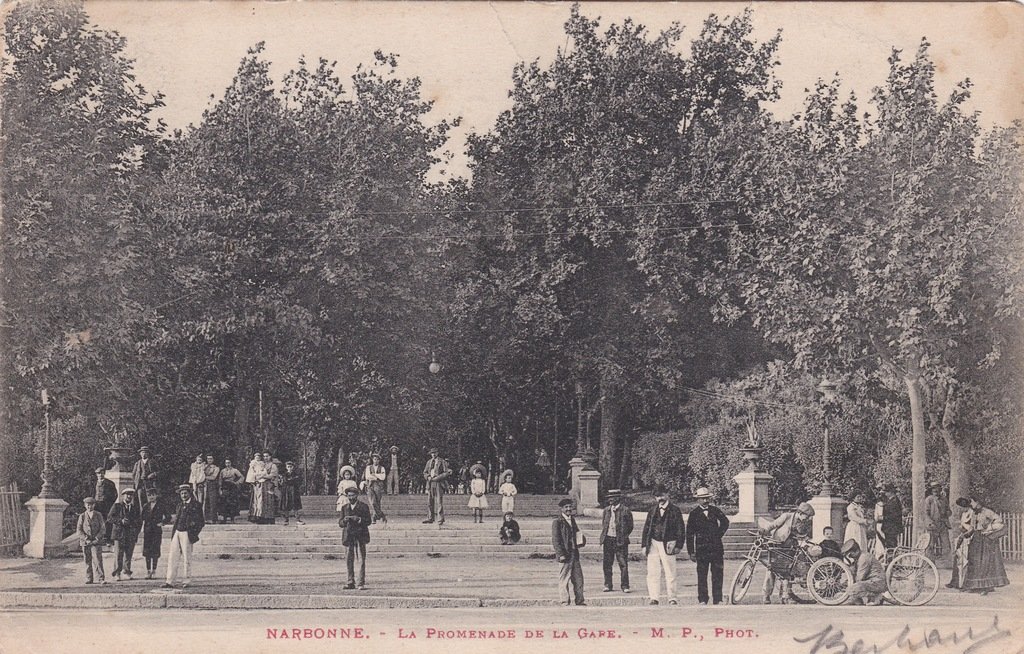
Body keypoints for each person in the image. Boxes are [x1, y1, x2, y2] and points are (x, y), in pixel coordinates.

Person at [949, 497, 1009, 595]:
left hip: (987, 540)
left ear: (978, 502)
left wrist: (989, 529)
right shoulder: (973, 513)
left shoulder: (987, 512)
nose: (970, 504)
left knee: (985, 564)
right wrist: (965, 535)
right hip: (976, 539)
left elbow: (1000, 521)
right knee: (974, 562)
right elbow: (972, 528)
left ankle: (986, 587)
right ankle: (974, 586)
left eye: (972, 502)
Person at [758, 502, 815, 604]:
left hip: (790, 548)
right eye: (806, 516)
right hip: (777, 545)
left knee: (787, 571)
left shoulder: (803, 523)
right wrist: (764, 531)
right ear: (800, 513)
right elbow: (773, 525)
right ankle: (766, 595)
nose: (807, 519)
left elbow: (804, 534)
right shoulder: (787, 516)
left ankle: (785, 596)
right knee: (771, 570)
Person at [686, 487, 731, 605]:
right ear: (698, 500)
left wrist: (718, 534)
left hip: (716, 548)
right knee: (702, 575)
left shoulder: (715, 510)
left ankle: (718, 599)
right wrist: (691, 552)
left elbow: (725, 522)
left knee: (717, 574)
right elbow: (689, 534)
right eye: (702, 499)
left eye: (707, 498)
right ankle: (702, 599)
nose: (705, 501)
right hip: (701, 549)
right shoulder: (693, 514)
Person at [641, 485, 684, 606]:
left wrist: (678, 545)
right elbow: (646, 528)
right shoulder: (652, 510)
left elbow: (680, 529)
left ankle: (672, 597)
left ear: (667, 494)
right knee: (652, 571)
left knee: (670, 571)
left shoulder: (675, 510)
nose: (659, 498)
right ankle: (654, 597)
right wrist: (644, 545)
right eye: (657, 496)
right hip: (653, 543)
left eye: (661, 495)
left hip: (668, 544)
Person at [163, 484, 204, 589]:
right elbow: (176, 521)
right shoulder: (179, 505)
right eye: (182, 493)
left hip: (187, 533)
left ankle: (187, 580)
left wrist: (193, 533)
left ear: (189, 493)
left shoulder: (196, 505)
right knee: (173, 557)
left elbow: (201, 522)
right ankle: (170, 580)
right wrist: (173, 534)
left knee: (187, 557)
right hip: (177, 532)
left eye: (185, 493)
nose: (183, 495)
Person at [551, 498, 585, 606]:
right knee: (564, 579)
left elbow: (577, 534)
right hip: (565, 554)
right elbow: (556, 540)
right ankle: (565, 601)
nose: (569, 509)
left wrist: (581, 540)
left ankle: (580, 601)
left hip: (575, 554)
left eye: (570, 507)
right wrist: (560, 554)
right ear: (561, 509)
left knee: (578, 579)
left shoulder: (572, 520)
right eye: (566, 507)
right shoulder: (557, 522)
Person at [600, 488, 633, 594]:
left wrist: (622, 535)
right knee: (607, 564)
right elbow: (604, 524)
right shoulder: (606, 510)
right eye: (609, 498)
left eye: (612, 498)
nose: (610, 500)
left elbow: (630, 526)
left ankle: (625, 586)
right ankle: (608, 585)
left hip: (620, 541)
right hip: (608, 540)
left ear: (618, 498)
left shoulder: (625, 510)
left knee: (623, 564)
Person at [338, 486, 371, 590]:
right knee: (349, 559)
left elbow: (368, 521)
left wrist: (359, 519)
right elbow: (340, 523)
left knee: (361, 559)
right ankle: (350, 581)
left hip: (360, 535)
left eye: (353, 496)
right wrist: (345, 520)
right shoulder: (344, 507)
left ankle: (361, 582)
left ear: (357, 496)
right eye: (349, 496)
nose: (351, 498)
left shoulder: (364, 506)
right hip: (349, 536)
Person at [107, 488, 142, 581]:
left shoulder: (135, 508)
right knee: (118, 554)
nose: (129, 497)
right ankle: (117, 573)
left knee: (128, 554)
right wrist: (120, 521)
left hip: (130, 534)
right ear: (123, 496)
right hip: (119, 534)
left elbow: (139, 522)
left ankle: (126, 571)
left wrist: (135, 533)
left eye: (131, 495)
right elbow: (109, 518)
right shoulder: (117, 506)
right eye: (127, 495)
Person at [841, 539, 886, 605]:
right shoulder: (859, 557)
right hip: (872, 582)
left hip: (877, 582)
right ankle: (858, 600)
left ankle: (877, 597)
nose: (850, 557)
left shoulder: (863, 558)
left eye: (851, 554)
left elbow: (860, 578)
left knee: (850, 589)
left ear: (855, 551)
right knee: (850, 588)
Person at [76, 496, 106, 585]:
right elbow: (79, 530)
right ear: (85, 505)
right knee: (87, 560)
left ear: (94, 505)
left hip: (96, 542)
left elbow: (103, 528)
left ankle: (101, 578)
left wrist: (97, 538)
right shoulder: (82, 516)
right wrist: (86, 539)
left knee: (97, 560)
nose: (90, 507)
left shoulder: (98, 515)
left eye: (91, 505)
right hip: (86, 542)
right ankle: (89, 578)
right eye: (88, 505)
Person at [141, 489, 169, 579]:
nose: (151, 497)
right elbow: (142, 517)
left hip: (156, 530)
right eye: (149, 495)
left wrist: (162, 522)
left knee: (155, 550)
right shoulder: (146, 506)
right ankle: (148, 570)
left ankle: (154, 570)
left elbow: (168, 516)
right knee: (147, 551)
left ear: (156, 495)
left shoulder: (161, 506)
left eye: (153, 495)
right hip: (147, 530)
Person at [422, 448, 451, 525]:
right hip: (430, 482)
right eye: (432, 453)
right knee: (429, 501)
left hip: (438, 482)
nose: (433, 454)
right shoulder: (429, 462)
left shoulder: (442, 461)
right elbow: (424, 472)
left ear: (437, 453)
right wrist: (428, 477)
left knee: (439, 501)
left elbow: (446, 472)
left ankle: (440, 519)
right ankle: (430, 518)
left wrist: (438, 478)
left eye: (435, 453)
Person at [925, 482, 952, 558]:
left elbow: (949, 510)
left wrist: (947, 513)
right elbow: (926, 513)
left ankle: (946, 562)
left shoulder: (944, 499)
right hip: (933, 525)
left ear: (940, 489)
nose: (935, 490)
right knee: (930, 544)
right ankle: (930, 562)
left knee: (946, 544)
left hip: (943, 524)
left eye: (936, 488)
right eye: (933, 488)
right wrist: (930, 522)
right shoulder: (929, 499)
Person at [876, 484, 904, 552]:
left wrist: (883, 518)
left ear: (890, 492)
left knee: (891, 546)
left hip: (892, 528)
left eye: (886, 492)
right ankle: (891, 559)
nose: (885, 494)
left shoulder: (894, 501)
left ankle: (892, 560)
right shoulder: (891, 500)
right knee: (889, 545)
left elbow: (894, 516)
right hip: (889, 527)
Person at [93, 467, 117, 542]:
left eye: (102, 473)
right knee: (97, 520)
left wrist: (109, 502)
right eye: (98, 473)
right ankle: (97, 537)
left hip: (106, 505)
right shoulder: (94, 483)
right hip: (96, 505)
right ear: (96, 474)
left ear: (104, 473)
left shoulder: (110, 483)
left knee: (108, 520)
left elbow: (115, 494)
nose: (100, 475)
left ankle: (108, 538)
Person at [363, 453, 387, 524]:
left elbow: (383, 477)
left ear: (379, 460)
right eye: (374, 459)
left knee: (377, 501)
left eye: (377, 459)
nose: (376, 461)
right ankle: (381, 515)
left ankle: (374, 517)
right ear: (372, 460)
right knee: (373, 502)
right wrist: (377, 477)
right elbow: (367, 476)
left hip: (378, 485)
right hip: (370, 485)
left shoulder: (382, 468)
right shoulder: (368, 467)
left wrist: (374, 475)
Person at [246, 452, 269, 523]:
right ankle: (254, 515)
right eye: (256, 457)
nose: (257, 458)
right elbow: (251, 474)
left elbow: (264, 473)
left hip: (261, 481)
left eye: (259, 457)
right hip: (255, 483)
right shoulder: (252, 464)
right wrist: (255, 478)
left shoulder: (262, 464)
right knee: (255, 500)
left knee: (261, 499)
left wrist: (260, 475)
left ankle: (260, 515)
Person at [219, 458, 244, 523]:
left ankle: (232, 519)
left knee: (232, 503)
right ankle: (224, 519)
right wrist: (220, 489)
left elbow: (242, 477)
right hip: (225, 487)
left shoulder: (234, 470)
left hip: (232, 488)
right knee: (224, 503)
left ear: (231, 463)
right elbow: (220, 480)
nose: (227, 464)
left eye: (229, 463)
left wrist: (237, 483)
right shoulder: (222, 471)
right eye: (226, 463)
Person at [280, 461, 305, 525]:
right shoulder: (285, 474)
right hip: (286, 491)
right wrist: (291, 480)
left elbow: (298, 481)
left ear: (293, 467)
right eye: (288, 467)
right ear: (286, 467)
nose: (289, 468)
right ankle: (286, 520)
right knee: (286, 505)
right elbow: (285, 481)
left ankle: (298, 520)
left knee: (295, 505)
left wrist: (291, 480)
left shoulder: (296, 474)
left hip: (294, 491)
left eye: (291, 467)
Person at [201, 455, 221, 523]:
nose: (209, 460)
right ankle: (206, 518)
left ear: (213, 459)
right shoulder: (204, 466)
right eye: (208, 459)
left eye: (211, 459)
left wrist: (204, 477)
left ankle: (213, 519)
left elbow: (213, 477)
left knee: (213, 502)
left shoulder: (216, 468)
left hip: (212, 485)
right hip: (204, 485)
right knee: (205, 501)